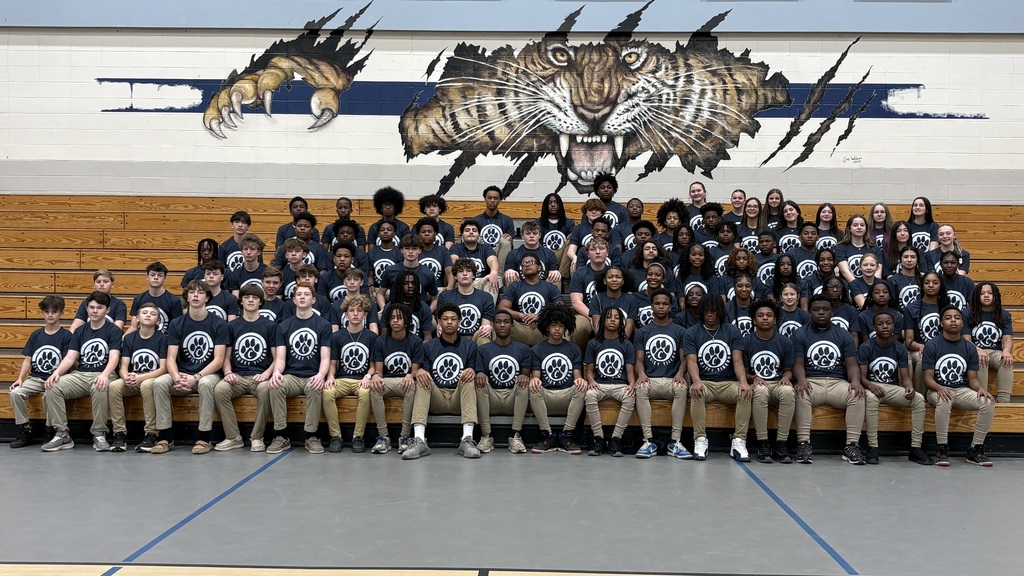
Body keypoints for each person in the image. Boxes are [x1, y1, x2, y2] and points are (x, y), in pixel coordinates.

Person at [147, 281, 228, 455]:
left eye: (200, 292)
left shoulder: (219, 324)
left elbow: (219, 360)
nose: (196, 295)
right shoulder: (177, 323)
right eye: (192, 292)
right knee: (160, 382)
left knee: (206, 384)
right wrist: (175, 376)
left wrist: (196, 377)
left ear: (207, 297)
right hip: (183, 373)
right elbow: (170, 358)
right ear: (187, 297)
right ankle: (165, 437)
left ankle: (204, 437)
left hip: (207, 374)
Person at [41, 291, 122, 452]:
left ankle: (99, 434)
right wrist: (57, 372)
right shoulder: (79, 331)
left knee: (100, 386)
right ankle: (62, 434)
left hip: (104, 373)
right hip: (81, 374)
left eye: (99, 308)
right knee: (52, 386)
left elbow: (114, 356)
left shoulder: (113, 330)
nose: (94, 311)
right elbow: (71, 358)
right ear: (86, 309)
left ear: (107, 310)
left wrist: (105, 375)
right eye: (91, 307)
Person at [791, 295, 866, 465]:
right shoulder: (800, 333)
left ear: (832, 312)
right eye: (816, 310)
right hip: (811, 381)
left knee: (857, 395)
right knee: (801, 393)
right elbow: (797, 364)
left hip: (837, 383)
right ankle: (803, 444)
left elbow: (852, 364)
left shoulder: (843, 335)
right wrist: (801, 380)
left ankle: (852, 446)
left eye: (825, 309)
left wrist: (855, 381)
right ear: (809, 312)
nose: (821, 313)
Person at [403, 304, 481, 460]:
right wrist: (420, 371)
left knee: (468, 378)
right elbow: (423, 371)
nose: (449, 322)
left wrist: (472, 370)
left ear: (459, 322)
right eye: (445, 319)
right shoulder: (429, 346)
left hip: (459, 397)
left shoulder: (470, 345)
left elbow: (474, 370)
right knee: (423, 379)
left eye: (453, 319)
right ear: (439, 322)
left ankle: (466, 439)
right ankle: (419, 440)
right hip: (437, 397)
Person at [263, 282, 332, 455]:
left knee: (316, 386)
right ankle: (281, 435)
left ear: (313, 299)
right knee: (276, 384)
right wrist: (277, 372)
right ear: (293, 300)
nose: (302, 297)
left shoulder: (323, 325)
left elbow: (325, 357)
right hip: (292, 376)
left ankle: (311, 436)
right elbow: (280, 358)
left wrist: (321, 375)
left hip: (312, 374)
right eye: (299, 294)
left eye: (306, 294)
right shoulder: (284, 326)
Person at [859, 310, 933, 465]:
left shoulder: (899, 348)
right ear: (874, 327)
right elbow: (862, 377)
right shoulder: (866, 347)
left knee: (918, 399)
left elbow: (905, 377)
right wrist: (871, 386)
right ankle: (873, 447)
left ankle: (916, 448)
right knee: (871, 399)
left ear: (894, 326)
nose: (885, 326)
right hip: (871, 386)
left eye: (888, 323)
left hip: (890, 388)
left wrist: (909, 387)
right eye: (880, 324)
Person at [212, 284, 279, 452]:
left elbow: (277, 358)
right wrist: (227, 372)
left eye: (255, 298)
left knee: (267, 389)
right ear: (240, 301)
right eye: (247, 297)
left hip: (260, 376)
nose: (250, 300)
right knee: (220, 389)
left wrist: (266, 374)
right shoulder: (232, 326)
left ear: (260, 302)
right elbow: (226, 357)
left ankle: (257, 437)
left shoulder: (270, 326)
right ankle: (233, 437)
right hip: (238, 376)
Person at [924, 305, 994, 466]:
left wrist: (981, 389)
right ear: (941, 323)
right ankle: (941, 448)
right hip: (936, 389)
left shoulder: (969, 347)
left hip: (961, 390)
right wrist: (940, 388)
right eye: (948, 318)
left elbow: (973, 379)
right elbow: (927, 379)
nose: (953, 320)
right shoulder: (932, 345)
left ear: (963, 323)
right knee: (945, 399)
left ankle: (975, 449)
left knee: (988, 403)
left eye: (957, 317)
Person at [685, 294, 751, 461]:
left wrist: (743, 382)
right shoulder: (691, 333)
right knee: (696, 392)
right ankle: (700, 439)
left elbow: (737, 361)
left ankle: (739, 440)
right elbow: (691, 361)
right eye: (707, 311)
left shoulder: (732, 331)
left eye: (714, 311)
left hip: (727, 382)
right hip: (705, 382)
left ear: (720, 311)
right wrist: (696, 381)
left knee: (744, 392)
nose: (710, 314)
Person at [7, 295, 72, 449]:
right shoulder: (36, 335)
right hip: (36, 378)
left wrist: (58, 376)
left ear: (61, 314)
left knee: (49, 395)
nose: (50, 315)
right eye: (47, 311)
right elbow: (27, 360)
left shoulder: (66, 336)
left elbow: (67, 361)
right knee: (15, 393)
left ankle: (50, 430)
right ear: (42, 313)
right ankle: (25, 430)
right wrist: (20, 378)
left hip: (56, 378)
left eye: (54, 311)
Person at [634, 289, 691, 459]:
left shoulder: (680, 331)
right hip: (650, 380)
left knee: (681, 389)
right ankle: (648, 441)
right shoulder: (643, 332)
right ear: (651, 306)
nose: (661, 307)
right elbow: (638, 360)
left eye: (665, 304)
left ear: (671, 307)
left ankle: (675, 442)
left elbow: (684, 359)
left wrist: (681, 373)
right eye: (657, 303)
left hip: (670, 380)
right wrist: (642, 374)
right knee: (640, 388)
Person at [573, 307, 636, 457]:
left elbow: (630, 371)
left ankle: (616, 439)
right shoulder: (594, 343)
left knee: (630, 396)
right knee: (589, 395)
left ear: (621, 322)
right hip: (599, 384)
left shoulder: (626, 344)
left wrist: (632, 384)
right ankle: (599, 438)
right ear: (602, 321)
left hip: (620, 384)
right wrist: (591, 380)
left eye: (616, 317)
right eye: (609, 317)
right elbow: (589, 370)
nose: (613, 320)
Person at [107, 302, 167, 453]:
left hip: (152, 377)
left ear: (158, 321)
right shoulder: (129, 338)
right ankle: (119, 434)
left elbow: (163, 368)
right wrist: (126, 377)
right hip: (134, 377)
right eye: (145, 313)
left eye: (153, 314)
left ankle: (151, 433)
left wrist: (141, 378)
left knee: (147, 385)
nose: (148, 315)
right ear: (137, 318)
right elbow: (123, 366)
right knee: (114, 386)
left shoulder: (163, 339)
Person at [526, 303, 584, 454]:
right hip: (546, 397)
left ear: (566, 328)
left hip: (566, 396)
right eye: (553, 325)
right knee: (533, 386)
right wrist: (534, 379)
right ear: (546, 327)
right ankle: (547, 434)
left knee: (581, 387)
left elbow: (577, 374)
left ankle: (567, 435)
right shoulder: (537, 349)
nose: (557, 329)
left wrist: (579, 380)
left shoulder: (574, 348)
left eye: (560, 325)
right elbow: (536, 375)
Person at [323, 294, 377, 453]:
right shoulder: (337, 336)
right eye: (351, 310)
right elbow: (332, 363)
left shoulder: (372, 337)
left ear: (365, 314)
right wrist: (330, 376)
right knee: (327, 392)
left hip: (361, 380)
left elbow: (373, 366)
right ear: (345, 314)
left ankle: (358, 437)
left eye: (359, 311)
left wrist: (368, 376)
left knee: (366, 393)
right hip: (342, 379)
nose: (355, 314)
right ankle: (335, 436)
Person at [744, 298, 796, 463]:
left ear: (775, 319)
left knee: (788, 392)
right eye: (760, 315)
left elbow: (788, 371)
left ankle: (781, 443)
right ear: (754, 319)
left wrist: (786, 378)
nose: (765, 318)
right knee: (760, 391)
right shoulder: (746, 341)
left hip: (777, 382)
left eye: (769, 315)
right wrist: (753, 377)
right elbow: (742, 372)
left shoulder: (785, 342)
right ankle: (763, 442)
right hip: (756, 383)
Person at [474, 310, 531, 453]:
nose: (502, 325)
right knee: (479, 383)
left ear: (512, 326)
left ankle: (516, 436)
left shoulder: (523, 349)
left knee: (524, 383)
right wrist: (479, 373)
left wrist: (525, 376)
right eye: (498, 322)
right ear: (492, 326)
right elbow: (480, 372)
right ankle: (486, 435)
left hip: (513, 397)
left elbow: (524, 376)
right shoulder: (483, 349)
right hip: (492, 397)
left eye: (506, 322)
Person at [368, 303, 422, 455]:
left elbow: (415, 370)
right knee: (375, 387)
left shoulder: (415, 341)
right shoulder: (381, 340)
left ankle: (404, 436)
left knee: (411, 386)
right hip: (389, 380)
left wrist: (410, 375)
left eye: (399, 318)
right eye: (392, 318)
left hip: (405, 380)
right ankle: (383, 437)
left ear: (406, 321)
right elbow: (379, 371)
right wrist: (376, 376)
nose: (395, 321)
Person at [905, 271, 958, 393]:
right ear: (922, 286)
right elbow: (908, 342)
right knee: (922, 358)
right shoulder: (911, 308)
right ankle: (920, 396)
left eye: (935, 282)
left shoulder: (948, 308)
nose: (930, 285)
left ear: (941, 285)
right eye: (927, 282)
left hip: (945, 348)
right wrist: (924, 347)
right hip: (920, 349)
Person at [500, 252, 563, 346]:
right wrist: (521, 315)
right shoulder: (515, 286)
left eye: (531, 262)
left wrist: (540, 316)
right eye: (524, 264)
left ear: (539, 267)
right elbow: (502, 308)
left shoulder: (550, 287)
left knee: (563, 325)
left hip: (543, 327)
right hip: (520, 327)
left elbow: (561, 308)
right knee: (498, 325)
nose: (527, 265)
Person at [968, 282, 1014, 403]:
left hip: (995, 352)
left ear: (995, 296)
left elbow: (1008, 339)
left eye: (990, 293)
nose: (986, 295)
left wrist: (1006, 351)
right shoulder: (968, 313)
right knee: (980, 359)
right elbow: (965, 339)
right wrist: (977, 350)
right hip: (974, 351)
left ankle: (1004, 402)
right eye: (982, 293)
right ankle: (982, 399)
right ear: (976, 296)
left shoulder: (1003, 314)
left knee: (1006, 360)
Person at [437, 258, 494, 345]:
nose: (464, 274)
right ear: (455, 276)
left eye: (468, 271)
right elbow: (440, 323)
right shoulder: (445, 296)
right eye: (460, 271)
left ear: (474, 275)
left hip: (475, 336)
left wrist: (487, 327)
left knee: (484, 336)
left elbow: (484, 326)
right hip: (453, 335)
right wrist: (439, 327)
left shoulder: (486, 297)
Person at [377, 234, 438, 310]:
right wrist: (384, 309)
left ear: (420, 250)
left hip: (419, 313)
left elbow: (435, 298)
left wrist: (428, 312)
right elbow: (380, 293)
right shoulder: (390, 270)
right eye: (407, 248)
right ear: (401, 250)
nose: (411, 251)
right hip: (395, 314)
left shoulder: (428, 273)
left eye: (414, 248)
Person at [449, 219, 500, 303]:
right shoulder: (456, 247)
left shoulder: (485, 247)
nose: (471, 232)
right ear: (462, 235)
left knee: (492, 279)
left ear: (479, 235)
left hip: (481, 281)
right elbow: (454, 261)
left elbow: (492, 260)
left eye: (474, 230)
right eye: (467, 230)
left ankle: (488, 310)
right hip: (463, 279)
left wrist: (493, 273)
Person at [128, 261, 183, 334]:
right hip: (144, 339)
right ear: (147, 277)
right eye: (153, 275)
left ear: (165, 279)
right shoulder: (138, 299)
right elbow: (133, 327)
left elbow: (177, 328)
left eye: (160, 275)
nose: (156, 278)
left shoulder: (174, 301)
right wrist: (123, 339)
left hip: (166, 340)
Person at [381, 270, 434, 341]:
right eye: (406, 283)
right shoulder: (389, 307)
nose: (410, 286)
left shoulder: (424, 308)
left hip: (417, 347)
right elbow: (384, 335)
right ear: (399, 286)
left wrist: (418, 349)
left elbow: (428, 337)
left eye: (413, 283)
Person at [504, 220, 561, 286]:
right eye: (528, 234)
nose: (531, 236)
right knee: (509, 277)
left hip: (543, 286)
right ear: (522, 236)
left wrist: (555, 272)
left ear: (539, 235)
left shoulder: (549, 254)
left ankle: (556, 296)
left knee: (556, 278)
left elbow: (552, 271)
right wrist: (509, 271)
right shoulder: (513, 254)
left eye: (535, 233)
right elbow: (506, 274)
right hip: (520, 287)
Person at [474, 186, 516, 272]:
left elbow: (510, 245)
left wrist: (509, 239)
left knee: (506, 241)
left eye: (495, 198)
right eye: (489, 198)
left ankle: (500, 276)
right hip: (482, 252)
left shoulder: (507, 220)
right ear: (485, 199)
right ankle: (478, 272)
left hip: (499, 253)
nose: (492, 200)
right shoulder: (476, 220)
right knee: (475, 238)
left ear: (500, 200)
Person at [587, 265, 638, 339]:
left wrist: (620, 344)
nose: (614, 280)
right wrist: (605, 342)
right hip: (601, 340)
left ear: (623, 281)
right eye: (610, 277)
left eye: (618, 277)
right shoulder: (596, 298)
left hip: (623, 342)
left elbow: (629, 325)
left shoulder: (631, 299)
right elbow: (596, 325)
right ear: (604, 281)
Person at [537, 193, 575, 281]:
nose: (553, 205)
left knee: (571, 241)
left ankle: (561, 276)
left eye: (556, 202)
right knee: (533, 240)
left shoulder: (569, 223)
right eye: (550, 203)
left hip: (562, 257)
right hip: (544, 255)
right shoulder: (538, 223)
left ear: (560, 205)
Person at [835, 214, 880, 283]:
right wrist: (857, 288)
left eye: (862, 225)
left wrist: (873, 287)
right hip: (850, 288)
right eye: (855, 225)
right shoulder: (841, 247)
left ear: (866, 228)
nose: (859, 227)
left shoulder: (874, 248)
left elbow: (878, 272)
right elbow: (845, 272)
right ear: (849, 228)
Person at [414, 217, 453, 290]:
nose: (426, 234)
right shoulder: (414, 250)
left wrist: (450, 286)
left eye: (430, 231)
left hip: (438, 288)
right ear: (418, 235)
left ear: (435, 234)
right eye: (423, 232)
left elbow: (449, 271)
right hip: (417, 288)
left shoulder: (443, 250)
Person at [889, 245, 923, 314]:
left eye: (913, 257)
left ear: (917, 260)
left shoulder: (923, 279)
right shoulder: (893, 280)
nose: (909, 260)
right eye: (905, 257)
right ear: (900, 260)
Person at [368, 220, 401, 289]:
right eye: (382, 230)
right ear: (378, 234)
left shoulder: (400, 253)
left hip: (394, 289)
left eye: (389, 230)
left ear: (394, 233)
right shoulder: (372, 253)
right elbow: (370, 275)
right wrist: (371, 286)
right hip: (376, 289)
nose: (385, 232)